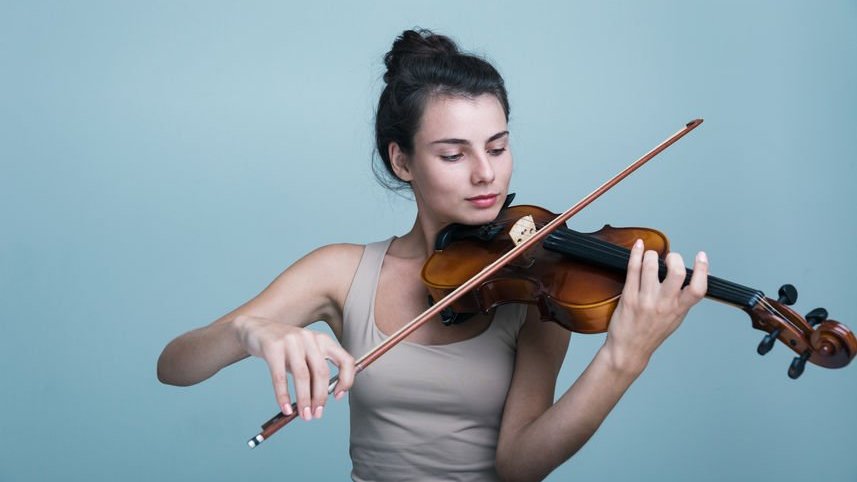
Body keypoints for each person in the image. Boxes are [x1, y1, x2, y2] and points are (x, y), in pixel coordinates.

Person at [157, 28, 709, 482]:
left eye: (498, 146)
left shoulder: (538, 282)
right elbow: (175, 367)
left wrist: (622, 360)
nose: (486, 173)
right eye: (453, 153)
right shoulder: (341, 272)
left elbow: (519, 466)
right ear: (402, 161)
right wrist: (250, 331)